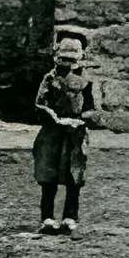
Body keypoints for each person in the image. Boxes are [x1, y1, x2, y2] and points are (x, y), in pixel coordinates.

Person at [32, 24, 98, 235]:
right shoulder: (50, 79)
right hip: (51, 133)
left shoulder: (86, 83)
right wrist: (55, 119)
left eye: (72, 60)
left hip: (75, 135)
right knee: (48, 175)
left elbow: (91, 108)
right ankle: (47, 217)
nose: (67, 65)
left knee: (73, 176)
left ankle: (70, 216)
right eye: (64, 59)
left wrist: (82, 120)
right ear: (56, 57)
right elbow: (40, 104)